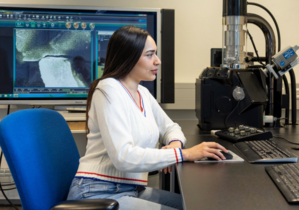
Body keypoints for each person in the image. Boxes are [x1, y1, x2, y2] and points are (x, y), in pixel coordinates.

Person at [67, 25, 228, 210]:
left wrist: (174, 147)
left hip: (131, 189)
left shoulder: (142, 92)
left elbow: (171, 128)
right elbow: (123, 157)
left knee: (196, 206)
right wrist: (183, 154)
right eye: (150, 55)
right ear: (128, 57)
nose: (157, 61)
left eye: (156, 54)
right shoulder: (108, 89)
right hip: (96, 192)